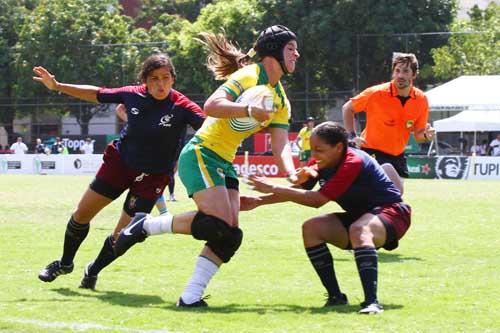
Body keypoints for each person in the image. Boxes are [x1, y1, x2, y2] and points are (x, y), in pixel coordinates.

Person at [114, 25, 300, 307]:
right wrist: (250, 110)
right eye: (291, 48)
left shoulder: (281, 98)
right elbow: (212, 105)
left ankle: (190, 298)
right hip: (202, 153)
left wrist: (293, 171)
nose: (297, 54)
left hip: (223, 162)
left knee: (230, 236)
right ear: (274, 51)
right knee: (218, 224)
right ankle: (145, 226)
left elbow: (280, 145)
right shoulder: (249, 75)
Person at [32, 53, 205, 289]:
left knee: (122, 236)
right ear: (145, 80)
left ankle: (93, 270)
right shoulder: (132, 94)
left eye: (166, 77)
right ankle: (64, 263)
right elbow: (97, 93)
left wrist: (244, 116)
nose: (160, 84)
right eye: (154, 78)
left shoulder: (183, 106)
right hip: (120, 165)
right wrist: (58, 86)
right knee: (82, 214)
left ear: (173, 79)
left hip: (153, 177)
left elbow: (209, 127)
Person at [241, 122, 410, 314]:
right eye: (312, 149)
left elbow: (317, 200)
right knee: (312, 228)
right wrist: (258, 201)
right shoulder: (321, 163)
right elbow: (299, 190)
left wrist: (272, 187)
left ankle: (372, 302)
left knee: (359, 229)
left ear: (338, 147)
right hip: (360, 217)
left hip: (393, 214)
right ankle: (335, 296)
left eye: (319, 150)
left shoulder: (352, 161)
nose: (313, 155)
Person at [342, 52, 435, 192]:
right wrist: (351, 135)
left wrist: (427, 136)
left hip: (398, 156)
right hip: (372, 152)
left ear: (414, 75)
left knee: (394, 197)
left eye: (405, 71)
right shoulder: (376, 93)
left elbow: (418, 135)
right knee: (382, 195)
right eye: (397, 71)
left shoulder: (421, 100)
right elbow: (347, 108)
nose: (400, 75)